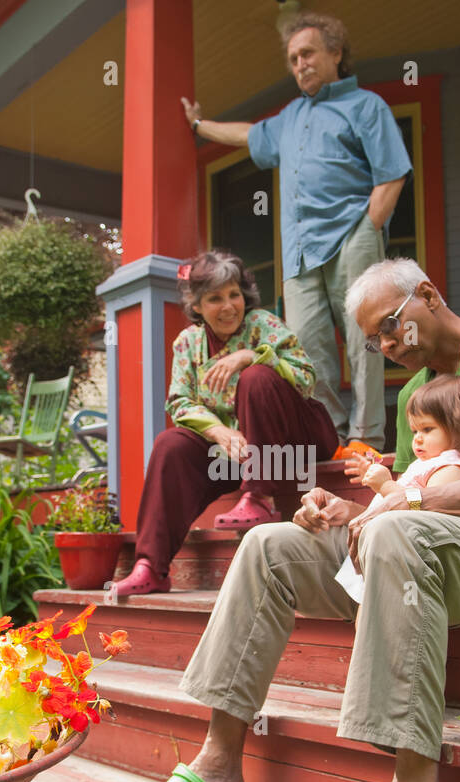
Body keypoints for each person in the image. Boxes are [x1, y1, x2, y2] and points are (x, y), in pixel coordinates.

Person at [119, 259, 460, 782]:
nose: (386, 347)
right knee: (269, 544)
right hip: (439, 545)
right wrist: (347, 511)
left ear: (428, 294)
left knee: (393, 533)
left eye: (389, 328)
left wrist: (399, 511)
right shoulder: (418, 391)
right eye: (374, 341)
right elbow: (398, 500)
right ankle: (220, 767)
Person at [181, 12, 410, 450]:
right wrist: (198, 125)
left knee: (367, 338)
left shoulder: (365, 106)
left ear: (335, 53)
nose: (299, 64)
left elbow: (393, 173)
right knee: (304, 346)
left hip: (350, 235)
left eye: (307, 53)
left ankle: (367, 437)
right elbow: (248, 135)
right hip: (299, 251)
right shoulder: (289, 118)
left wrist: (369, 228)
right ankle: (333, 436)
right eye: (292, 59)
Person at [108, 250, 338, 598]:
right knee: (171, 444)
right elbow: (179, 401)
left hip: (298, 441)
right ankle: (150, 567)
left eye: (234, 294)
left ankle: (259, 496)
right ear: (197, 306)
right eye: (215, 298)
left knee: (257, 377)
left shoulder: (264, 324)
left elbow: (307, 379)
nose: (229, 305)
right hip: (237, 454)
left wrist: (252, 356)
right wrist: (220, 430)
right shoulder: (188, 343)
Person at [334, 374, 460, 604]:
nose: (417, 440)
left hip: (408, 564)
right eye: (415, 431)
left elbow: (421, 513)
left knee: (375, 615)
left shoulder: (453, 468)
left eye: (427, 430)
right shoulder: (425, 464)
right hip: (385, 556)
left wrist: (385, 485)